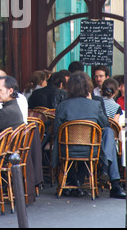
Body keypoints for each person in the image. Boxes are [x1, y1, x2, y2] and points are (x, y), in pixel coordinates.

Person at [52, 71, 126, 199]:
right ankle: (112, 179)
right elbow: (105, 124)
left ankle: (76, 180)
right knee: (108, 132)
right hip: (92, 149)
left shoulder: (63, 106)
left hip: (67, 149)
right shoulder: (95, 105)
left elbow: (56, 130)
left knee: (108, 132)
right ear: (88, 87)